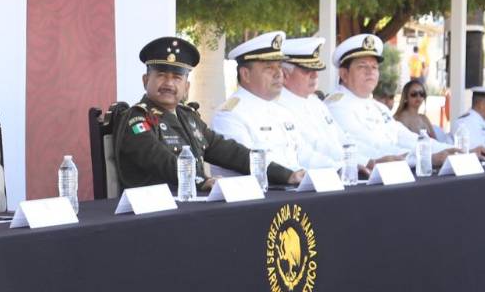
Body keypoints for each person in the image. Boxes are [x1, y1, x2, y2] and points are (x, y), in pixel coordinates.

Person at [113, 35, 267, 193]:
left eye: (177, 77)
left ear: (186, 87)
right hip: (154, 209)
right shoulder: (137, 118)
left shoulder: (188, 117)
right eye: (161, 75)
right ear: (145, 81)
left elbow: (228, 152)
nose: (169, 83)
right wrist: (202, 181)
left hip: (188, 203)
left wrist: (285, 175)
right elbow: (160, 161)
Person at [327, 35, 480, 170]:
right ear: (344, 74)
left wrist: (458, 151)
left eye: (374, 67)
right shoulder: (337, 106)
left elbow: (407, 138)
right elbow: (373, 148)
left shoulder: (378, 108)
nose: (370, 71)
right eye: (362, 66)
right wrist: (426, 158)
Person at [207, 32, 306, 184]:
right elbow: (246, 163)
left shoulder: (283, 111)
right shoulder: (230, 114)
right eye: (269, 68)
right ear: (245, 74)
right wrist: (290, 176)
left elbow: (301, 156)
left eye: (279, 67)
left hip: (289, 193)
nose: (278, 73)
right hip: (254, 199)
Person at [278, 36, 350, 175]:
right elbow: (303, 153)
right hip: (315, 179)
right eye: (307, 71)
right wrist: (339, 167)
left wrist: (359, 162)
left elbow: (342, 140)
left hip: (339, 172)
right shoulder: (278, 106)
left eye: (316, 69)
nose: (315, 75)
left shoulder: (316, 102)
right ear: (285, 75)